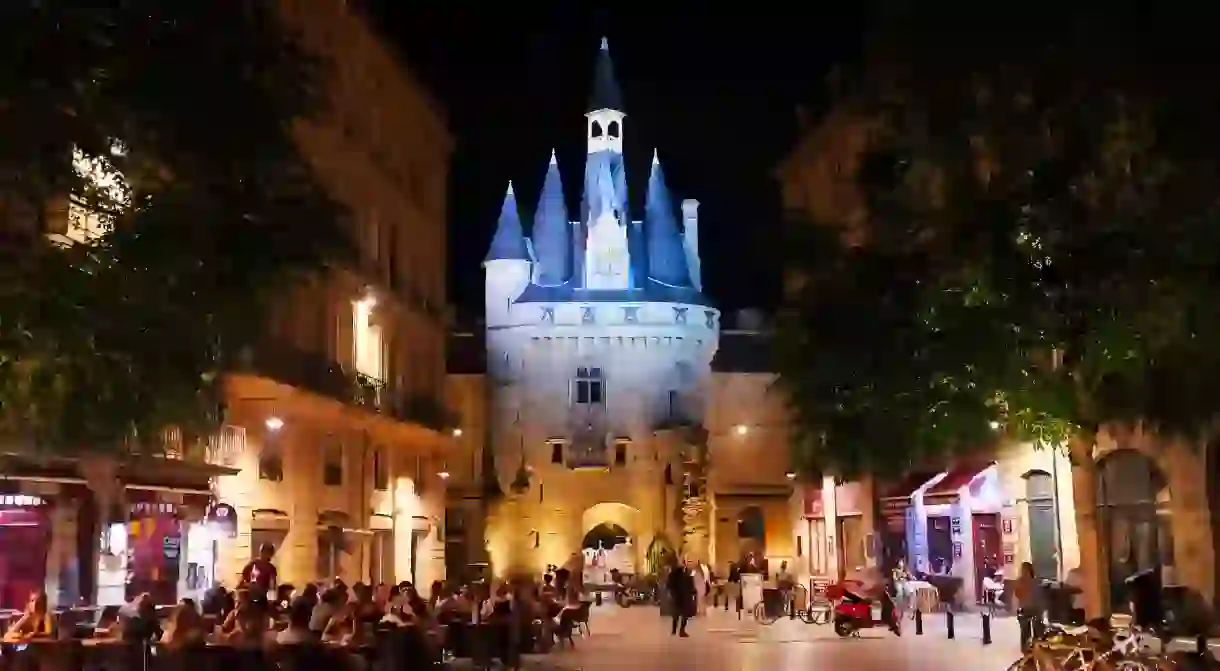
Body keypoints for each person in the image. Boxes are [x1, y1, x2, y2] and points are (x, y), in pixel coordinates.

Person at [1014, 562, 1046, 650]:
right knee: (1025, 631)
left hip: (1035, 609)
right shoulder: (1020, 582)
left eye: (1025, 570)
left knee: (1038, 630)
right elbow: (1018, 595)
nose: (1023, 572)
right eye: (1022, 570)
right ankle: (1026, 650)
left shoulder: (1036, 582)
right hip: (1025, 609)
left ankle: (1038, 648)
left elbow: (1040, 597)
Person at [667, 560, 696, 637]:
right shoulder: (678, 573)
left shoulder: (686, 573)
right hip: (681, 595)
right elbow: (670, 584)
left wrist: (692, 592)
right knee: (681, 614)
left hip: (682, 595)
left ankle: (677, 631)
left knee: (679, 614)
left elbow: (690, 584)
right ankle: (679, 631)